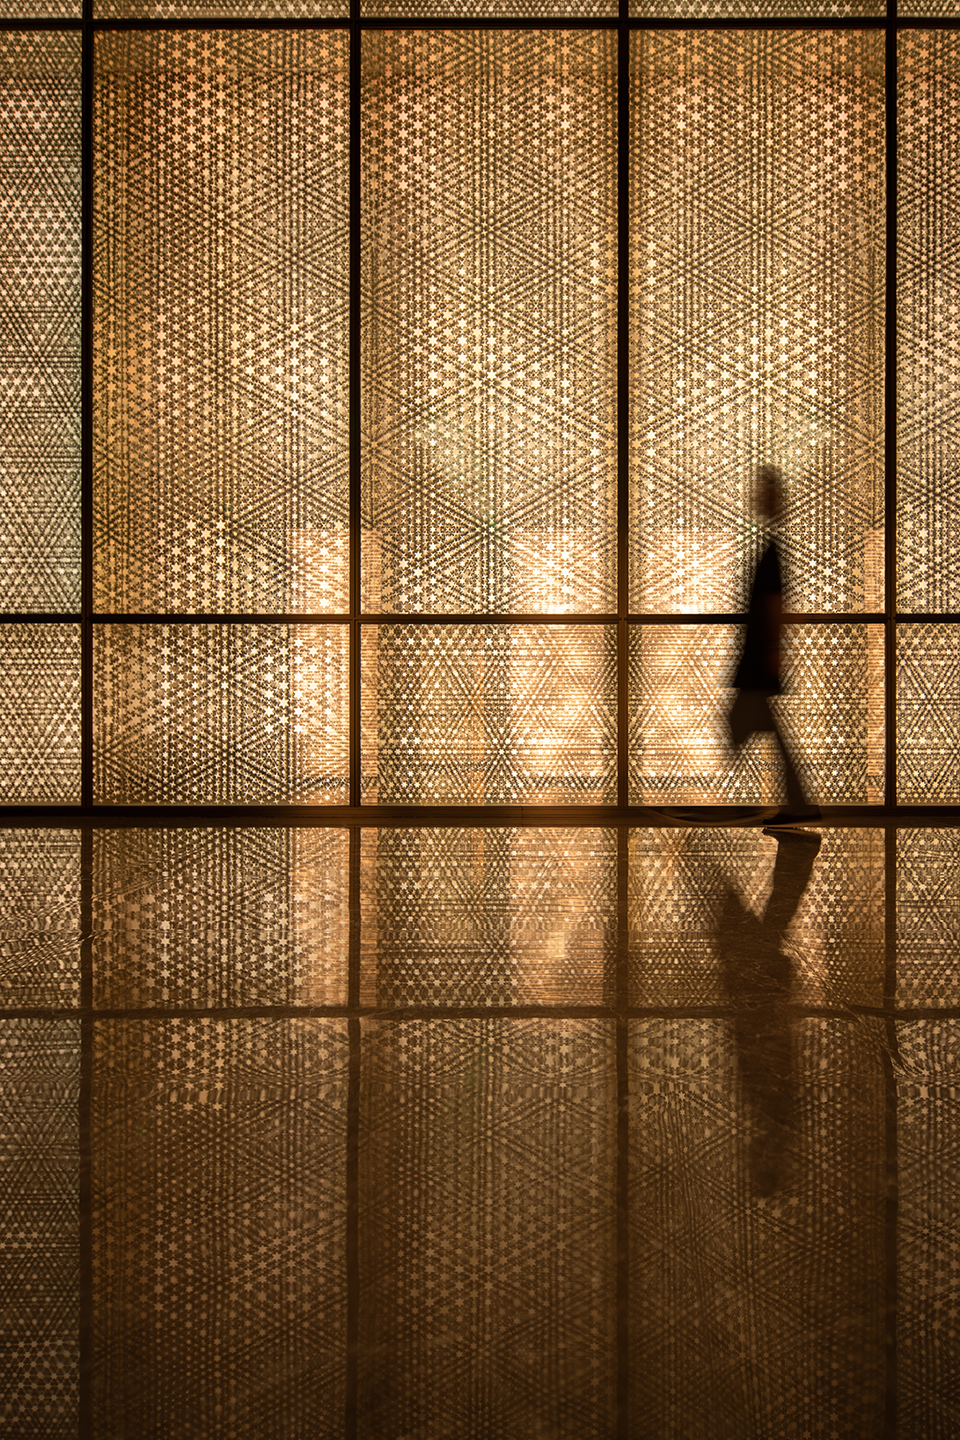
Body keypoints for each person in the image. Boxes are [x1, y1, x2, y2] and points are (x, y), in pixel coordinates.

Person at [730, 465, 820, 825]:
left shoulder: (771, 550)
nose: (758, 498)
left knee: (737, 722)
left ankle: (732, 797)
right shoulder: (769, 547)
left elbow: (773, 605)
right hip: (759, 652)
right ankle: (797, 803)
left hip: (759, 654)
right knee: (753, 726)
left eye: (764, 493)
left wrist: (772, 651)